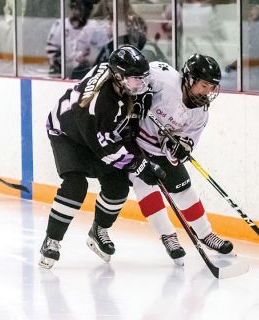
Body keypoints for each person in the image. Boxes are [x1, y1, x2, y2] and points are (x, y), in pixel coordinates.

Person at [39, 45, 165, 269]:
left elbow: (121, 129)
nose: (141, 85)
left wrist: (136, 118)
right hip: (68, 134)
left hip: (97, 132)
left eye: (142, 79)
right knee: (75, 186)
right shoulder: (98, 104)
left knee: (117, 188)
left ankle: (98, 231)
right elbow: (105, 148)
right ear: (118, 77)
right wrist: (139, 165)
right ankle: (52, 240)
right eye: (136, 80)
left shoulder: (121, 81)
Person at [130, 54, 234, 265]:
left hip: (159, 150)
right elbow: (136, 76)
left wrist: (178, 148)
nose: (208, 92)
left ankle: (205, 234)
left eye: (212, 87)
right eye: (204, 85)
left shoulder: (200, 113)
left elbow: (188, 142)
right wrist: (139, 96)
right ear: (188, 79)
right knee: (147, 187)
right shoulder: (163, 79)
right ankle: (168, 235)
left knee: (184, 188)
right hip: (135, 145)